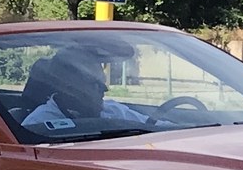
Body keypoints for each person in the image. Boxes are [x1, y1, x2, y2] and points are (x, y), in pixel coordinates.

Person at [21, 50, 152, 137]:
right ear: (67, 87)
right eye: (95, 84)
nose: (105, 90)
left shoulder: (114, 110)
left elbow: (155, 126)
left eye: (103, 81)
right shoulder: (38, 125)